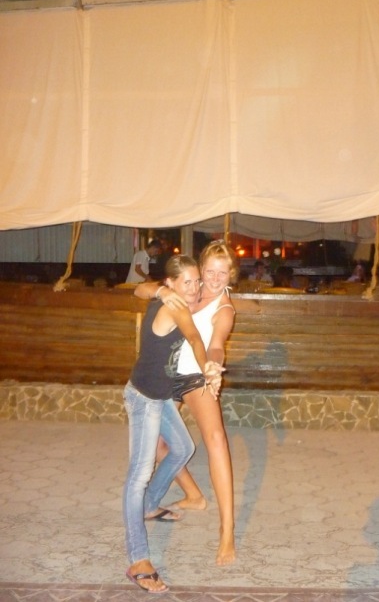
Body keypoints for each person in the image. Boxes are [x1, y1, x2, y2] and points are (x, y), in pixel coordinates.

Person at [123, 255, 223, 593]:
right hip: (144, 398)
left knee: (183, 447)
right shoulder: (174, 306)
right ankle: (138, 559)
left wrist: (159, 290)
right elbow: (194, 338)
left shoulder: (174, 298)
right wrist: (207, 368)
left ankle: (150, 506)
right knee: (138, 475)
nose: (193, 288)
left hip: (161, 396)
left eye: (197, 281)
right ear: (171, 284)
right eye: (186, 282)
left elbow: (142, 289)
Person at [135, 240, 238, 566]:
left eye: (223, 273)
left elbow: (217, 343)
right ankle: (194, 495)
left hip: (196, 376)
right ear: (201, 269)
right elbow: (140, 289)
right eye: (210, 271)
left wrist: (213, 366)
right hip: (167, 376)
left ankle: (227, 530)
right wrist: (161, 291)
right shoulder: (187, 288)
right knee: (159, 445)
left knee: (216, 440)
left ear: (231, 274)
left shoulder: (224, 309)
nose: (215, 279)